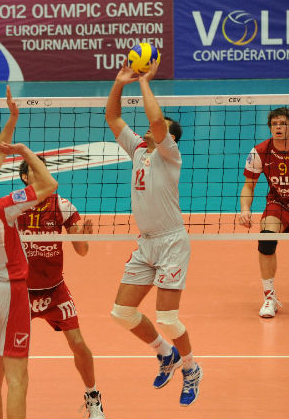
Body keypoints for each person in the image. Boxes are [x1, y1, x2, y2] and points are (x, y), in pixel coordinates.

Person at [0, 156, 105, 418]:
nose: (41, 173)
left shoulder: (62, 205)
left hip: (54, 289)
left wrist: (83, 237)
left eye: (43, 168)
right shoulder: (14, 207)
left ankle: (93, 396)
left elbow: (82, 250)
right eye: (34, 169)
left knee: (78, 343)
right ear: (24, 178)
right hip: (19, 293)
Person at [105, 61, 202, 407]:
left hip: (172, 241)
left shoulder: (169, 154)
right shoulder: (138, 149)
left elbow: (158, 121)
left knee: (168, 318)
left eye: (157, 129)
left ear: (169, 138)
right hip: (146, 244)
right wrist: (120, 82)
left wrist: (145, 81)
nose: (149, 128)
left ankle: (191, 368)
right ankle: (165, 354)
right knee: (121, 313)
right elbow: (113, 117)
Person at [0, 86, 58, 419]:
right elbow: (49, 185)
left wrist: (12, 118)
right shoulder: (4, 208)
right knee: (18, 378)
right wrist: (26, 152)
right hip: (10, 292)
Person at [239, 107, 289, 318]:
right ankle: (269, 297)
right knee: (266, 241)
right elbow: (249, 186)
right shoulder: (260, 151)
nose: (278, 127)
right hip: (280, 202)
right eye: (274, 124)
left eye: (282, 124)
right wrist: (245, 209)